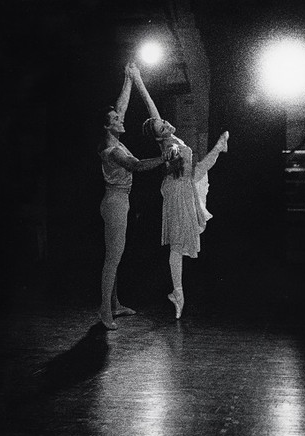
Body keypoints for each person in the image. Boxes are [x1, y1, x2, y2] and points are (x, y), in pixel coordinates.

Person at [129, 64, 229, 319]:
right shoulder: (171, 148)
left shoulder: (170, 140)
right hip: (180, 191)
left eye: (164, 122)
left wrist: (138, 79)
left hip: (181, 189)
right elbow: (192, 173)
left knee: (179, 247)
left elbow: (153, 111)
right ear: (159, 137)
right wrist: (216, 149)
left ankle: (178, 293)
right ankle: (178, 293)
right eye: (162, 127)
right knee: (178, 246)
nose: (167, 124)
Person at [98, 64, 166, 330]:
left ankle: (114, 304)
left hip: (118, 200)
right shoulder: (111, 147)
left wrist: (128, 78)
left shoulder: (113, 135)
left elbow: (121, 107)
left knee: (115, 255)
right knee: (113, 257)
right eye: (115, 119)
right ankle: (105, 310)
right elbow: (136, 165)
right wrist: (163, 158)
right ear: (107, 126)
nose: (120, 119)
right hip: (115, 202)